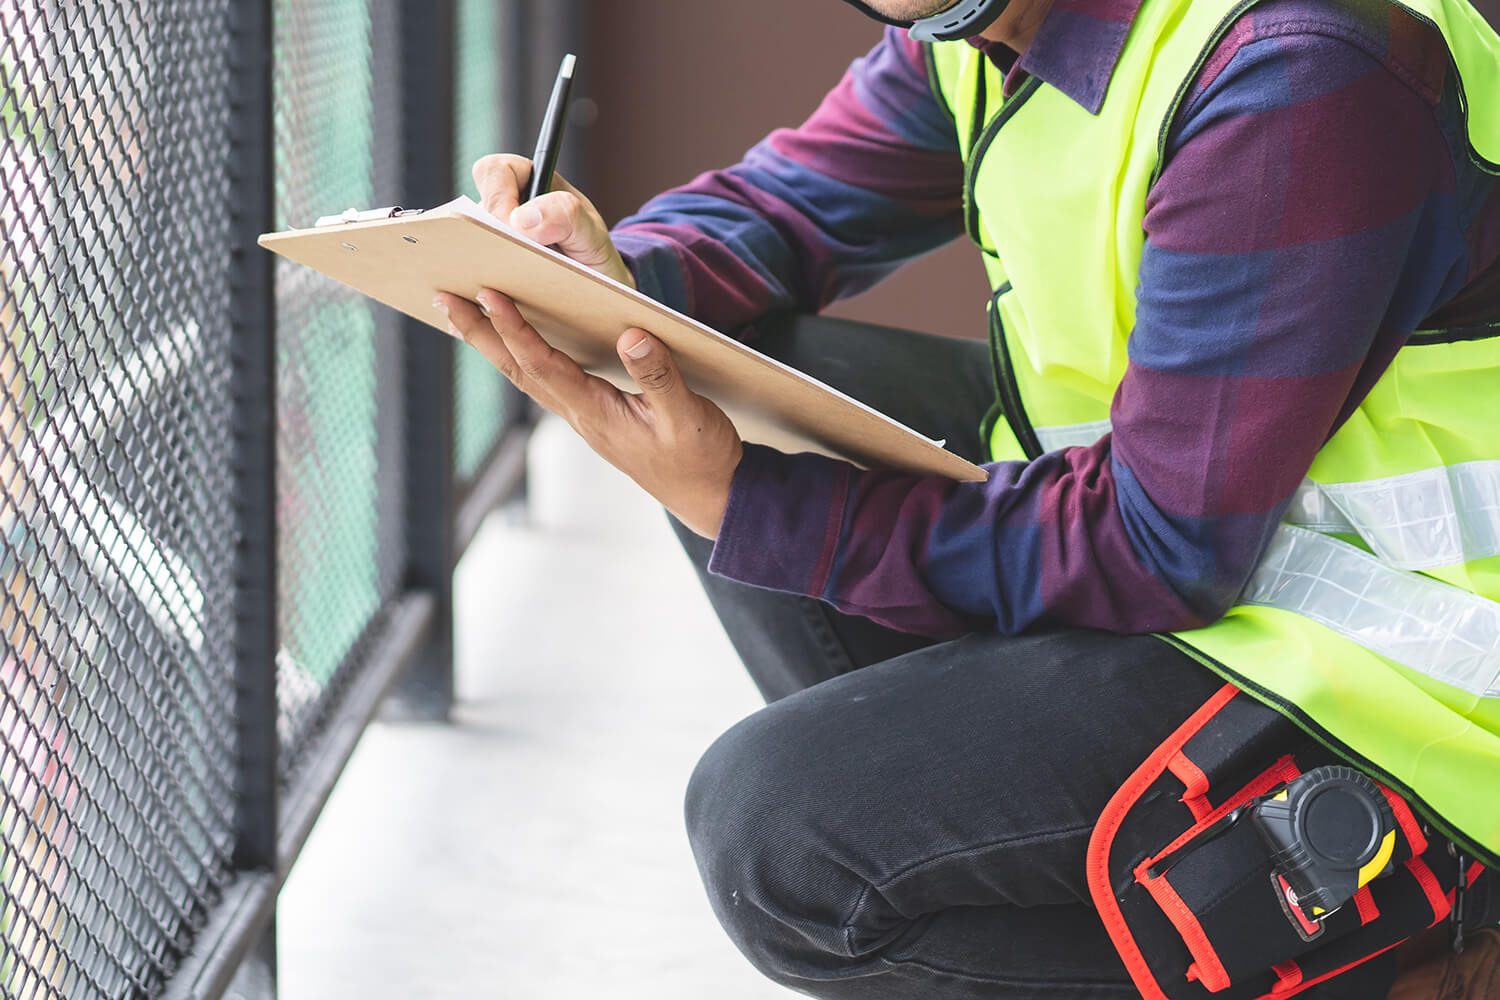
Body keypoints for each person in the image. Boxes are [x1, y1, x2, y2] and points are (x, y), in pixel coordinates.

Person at [435, 0, 1500, 995]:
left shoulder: (1298, 68)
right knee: (717, 383)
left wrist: (749, 504)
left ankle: (1405, 936)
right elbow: (788, 201)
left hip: (1412, 670)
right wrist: (613, 279)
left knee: (783, 835)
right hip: (1203, 548)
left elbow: (1155, 543)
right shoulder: (982, 26)